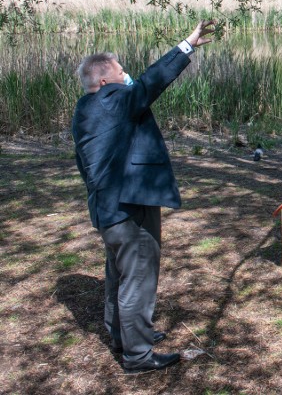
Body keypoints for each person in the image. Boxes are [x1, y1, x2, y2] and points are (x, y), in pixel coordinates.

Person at [71, 21, 215, 374]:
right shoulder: (116, 99)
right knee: (138, 279)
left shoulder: (83, 110)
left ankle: (124, 336)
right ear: (105, 81)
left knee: (117, 276)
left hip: (106, 209)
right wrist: (187, 46)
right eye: (122, 71)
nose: (127, 75)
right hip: (130, 207)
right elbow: (153, 81)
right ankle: (138, 355)